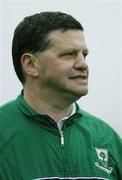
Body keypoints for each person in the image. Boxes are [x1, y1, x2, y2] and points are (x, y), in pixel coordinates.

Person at [0, 11, 122, 180]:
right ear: (30, 64)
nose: (83, 64)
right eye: (68, 54)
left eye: (84, 55)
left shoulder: (106, 137)